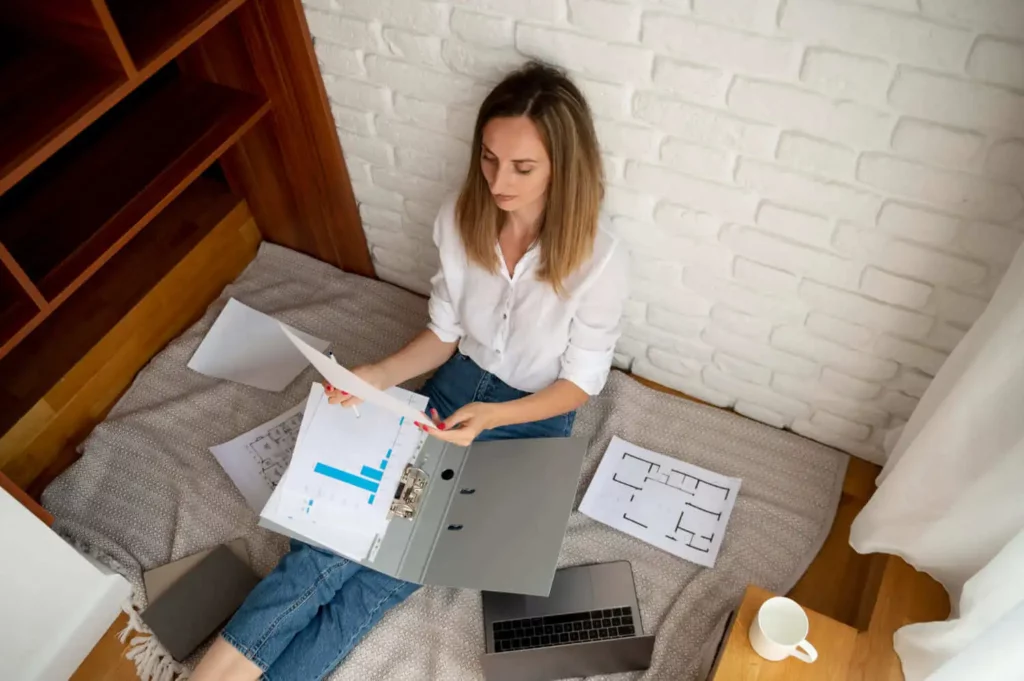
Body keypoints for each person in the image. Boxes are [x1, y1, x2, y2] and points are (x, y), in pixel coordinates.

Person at [191, 60, 628, 681]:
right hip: (454, 387)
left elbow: (581, 384)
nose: (499, 181)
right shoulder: (460, 218)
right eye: (489, 158)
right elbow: (443, 336)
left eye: (522, 168)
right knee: (338, 543)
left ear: (564, 166)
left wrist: (496, 417)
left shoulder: (600, 260)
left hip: (528, 422)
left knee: (389, 574)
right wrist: (377, 373)